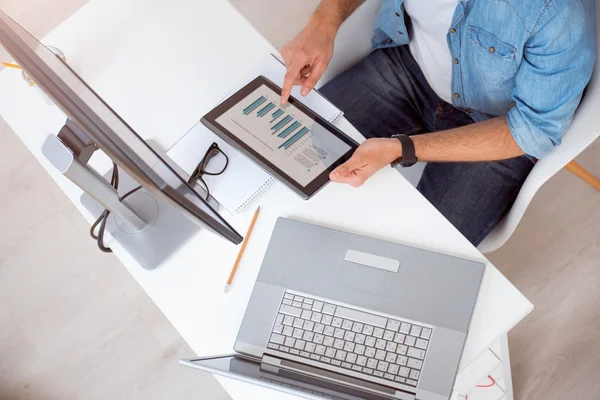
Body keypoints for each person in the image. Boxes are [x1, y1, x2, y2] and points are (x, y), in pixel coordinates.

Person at [280, 0, 596, 246]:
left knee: (419, 259)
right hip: (409, 67)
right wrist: (324, 22)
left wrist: (400, 149)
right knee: (286, 155)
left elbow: (533, 128)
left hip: (496, 125)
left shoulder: (559, 14)